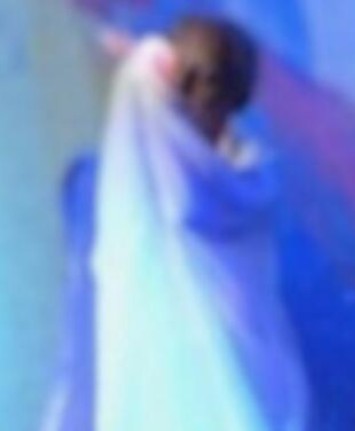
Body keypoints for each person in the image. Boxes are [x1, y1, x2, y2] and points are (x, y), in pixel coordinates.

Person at [91, 16, 310, 431]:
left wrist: (143, 61)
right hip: (223, 365)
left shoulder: (163, 172)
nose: (222, 125)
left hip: (219, 360)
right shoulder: (228, 175)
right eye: (219, 109)